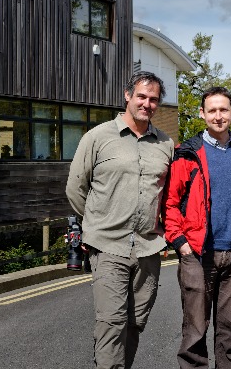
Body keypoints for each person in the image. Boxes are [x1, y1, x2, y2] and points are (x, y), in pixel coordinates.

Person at [66, 71, 174, 368]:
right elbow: (76, 188)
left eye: (153, 99)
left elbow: (167, 195)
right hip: (107, 244)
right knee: (112, 322)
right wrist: (92, 227)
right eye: (141, 96)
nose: (147, 104)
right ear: (128, 96)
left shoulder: (165, 144)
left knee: (135, 321)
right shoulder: (97, 137)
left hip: (148, 247)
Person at [162, 86, 231, 368]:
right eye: (212, 111)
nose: (218, 116)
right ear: (202, 114)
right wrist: (180, 242)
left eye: (223, 110)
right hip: (197, 253)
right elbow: (170, 203)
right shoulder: (188, 153)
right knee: (194, 331)